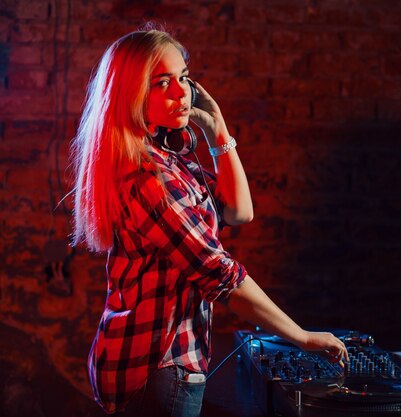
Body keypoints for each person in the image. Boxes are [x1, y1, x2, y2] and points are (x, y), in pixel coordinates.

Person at [70, 26, 348, 417]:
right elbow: (218, 272)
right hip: (157, 366)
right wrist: (301, 337)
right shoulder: (148, 177)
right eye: (161, 82)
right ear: (130, 94)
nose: (180, 92)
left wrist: (217, 128)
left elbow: (238, 212)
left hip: (156, 361)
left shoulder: (168, 162)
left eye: (183, 78)